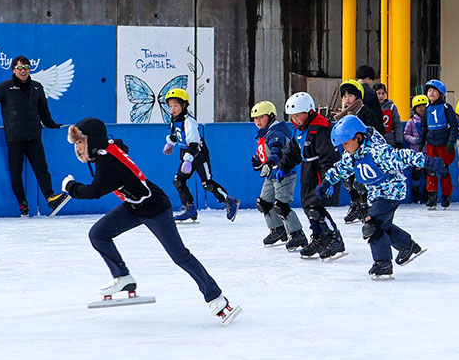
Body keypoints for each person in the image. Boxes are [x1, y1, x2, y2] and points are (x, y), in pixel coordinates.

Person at [62, 117, 239, 326]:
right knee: (98, 234)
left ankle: (217, 299)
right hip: (133, 207)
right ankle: (123, 278)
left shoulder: (107, 161)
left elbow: (94, 191)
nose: (78, 148)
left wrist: (71, 187)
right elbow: (118, 145)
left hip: (155, 208)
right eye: (76, 144)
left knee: (180, 255)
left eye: (80, 142)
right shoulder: (106, 151)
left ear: (93, 140)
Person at [318, 115, 446, 280]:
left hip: (391, 192)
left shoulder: (377, 152)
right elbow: (341, 168)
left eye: (346, 143)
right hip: (376, 195)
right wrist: (327, 182)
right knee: (381, 224)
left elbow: (404, 156)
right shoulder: (352, 155)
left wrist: (429, 162)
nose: (344, 148)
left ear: (358, 137)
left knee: (372, 225)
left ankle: (383, 263)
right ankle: (408, 246)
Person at [0, 55, 67, 217]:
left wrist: (51, 124)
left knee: (42, 169)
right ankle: (22, 203)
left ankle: (50, 197)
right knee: (15, 171)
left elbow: (43, 110)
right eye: (20, 68)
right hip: (15, 136)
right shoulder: (5, 87)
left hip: (34, 135)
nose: (23, 71)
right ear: (13, 70)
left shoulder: (37, 87)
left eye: (26, 68)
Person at [275, 92, 346, 259]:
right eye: (292, 116)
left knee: (315, 208)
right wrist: (283, 167)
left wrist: (328, 181)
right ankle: (319, 237)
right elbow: (293, 152)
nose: (295, 120)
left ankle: (335, 237)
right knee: (308, 207)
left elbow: (328, 158)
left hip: (321, 172)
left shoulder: (320, 129)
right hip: (308, 172)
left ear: (309, 111)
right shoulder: (300, 131)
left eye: (298, 115)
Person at [162, 88, 239, 223]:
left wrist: (188, 160)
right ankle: (189, 208)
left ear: (184, 105)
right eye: (170, 106)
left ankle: (229, 200)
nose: (172, 109)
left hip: (198, 156)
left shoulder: (189, 121)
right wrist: (170, 143)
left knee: (207, 184)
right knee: (178, 181)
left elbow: (194, 143)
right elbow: (178, 136)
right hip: (187, 157)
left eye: (175, 105)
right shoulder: (175, 120)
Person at [250, 100, 304, 248]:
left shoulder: (276, 132)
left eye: (261, 117)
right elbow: (265, 152)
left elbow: (277, 150)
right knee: (264, 203)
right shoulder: (266, 133)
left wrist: (268, 163)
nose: (258, 121)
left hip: (283, 174)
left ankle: (297, 233)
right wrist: (258, 161)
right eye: (255, 118)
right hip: (271, 176)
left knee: (281, 205)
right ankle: (278, 229)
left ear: (271, 116)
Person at [332, 79, 385, 223]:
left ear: (358, 96)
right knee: (348, 181)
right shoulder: (343, 115)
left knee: (360, 182)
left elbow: (375, 132)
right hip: (349, 154)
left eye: (350, 95)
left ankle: (365, 207)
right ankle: (355, 206)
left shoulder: (366, 113)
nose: (347, 99)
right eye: (344, 96)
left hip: (364, 154)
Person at [418, 78, 459, 209]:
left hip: (444, 144)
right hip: (431, 144)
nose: (431, 93)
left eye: (434, 91)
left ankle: (446, 196)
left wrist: (451, 141)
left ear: (441, 94)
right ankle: (432, 195)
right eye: (429, 91)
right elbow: (424, 127)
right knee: (431, 171)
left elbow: (454, 125)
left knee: (444, 170)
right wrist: (421, 141)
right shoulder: (427, 109)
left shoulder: (446, 107)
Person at [403, 94, 428, 203]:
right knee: (416, 173)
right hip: (416, 152)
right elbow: (406, 134)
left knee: (428, 173)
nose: (421, 109)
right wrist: (413, 140)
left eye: (423, 106)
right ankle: (415, 190)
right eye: (419, 107)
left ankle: (428, 192)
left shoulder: (430, 120)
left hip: (428, 151)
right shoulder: (412, 122)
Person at [374, 81, 404, 148]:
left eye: (383, 93)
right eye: (378, 93)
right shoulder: (371, 107)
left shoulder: (391, 107)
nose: (380, 96)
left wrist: (399, 141)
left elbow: (397, 125)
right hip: (376, 141)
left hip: (390, 140)